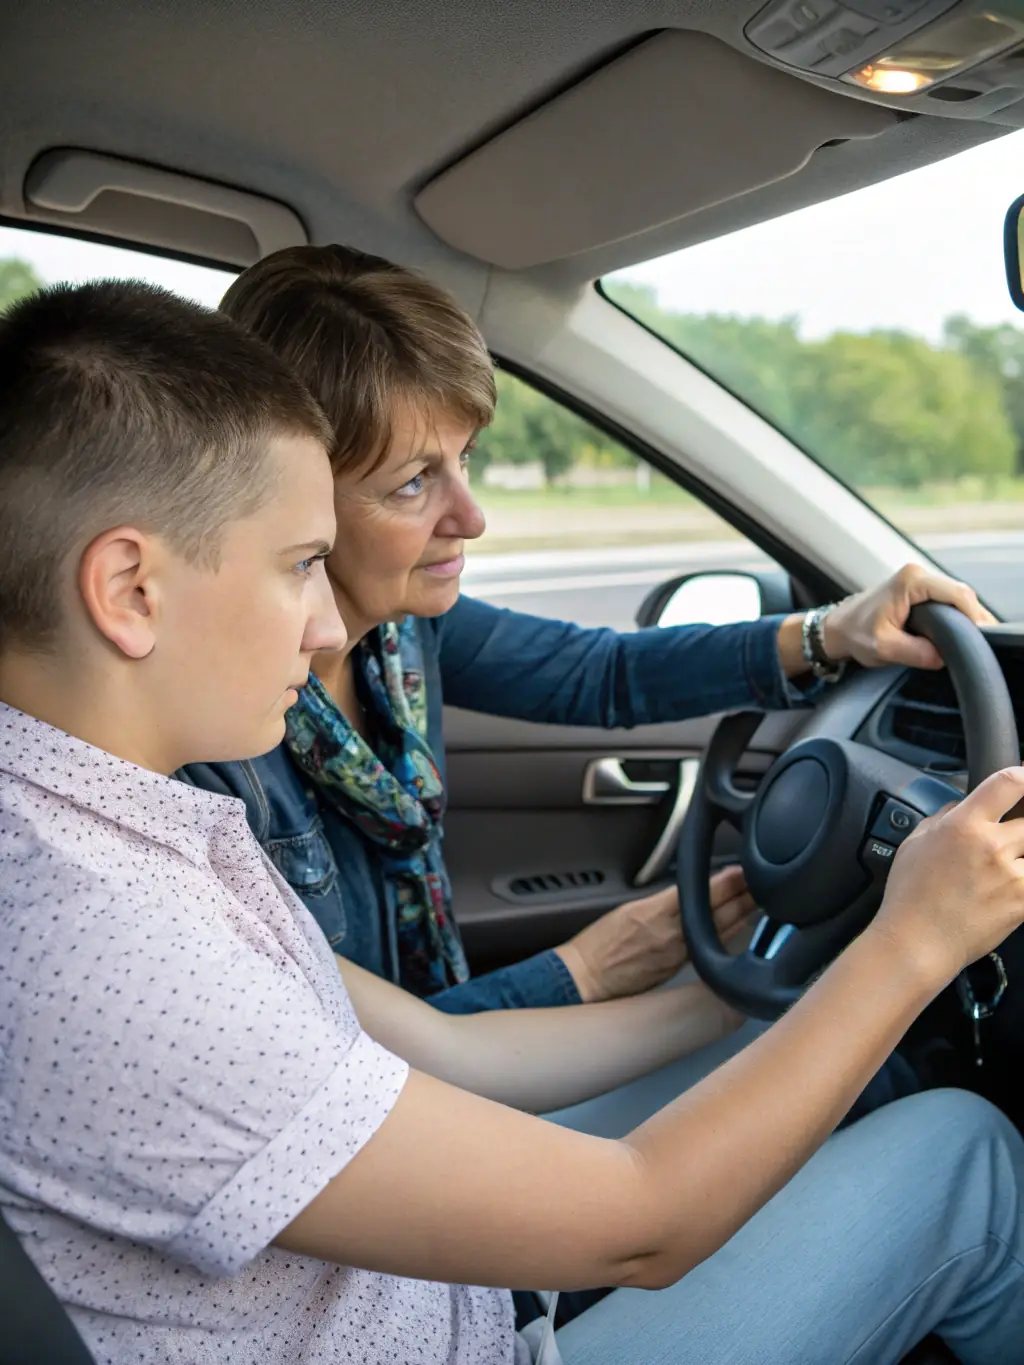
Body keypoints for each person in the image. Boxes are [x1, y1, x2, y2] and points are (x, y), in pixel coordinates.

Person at [3, 279, 1024, 1365]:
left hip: (440, 1284)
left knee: (812, 1058)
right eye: (300, 564)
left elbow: (444, 1052)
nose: (324, 626)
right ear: (128, 590)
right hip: (480, 1327)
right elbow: (641, 1223)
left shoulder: (131, 836)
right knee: (966, 1149)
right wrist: (912, 944)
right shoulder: (113, 950)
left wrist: (749, 994)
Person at [182, 244, 995, 1024]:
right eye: (413, 483)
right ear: (293, 497)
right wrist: (585, 972)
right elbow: (319, 1064)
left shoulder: (396, 642)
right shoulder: (208, 752)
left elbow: (597, 674)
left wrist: (828, 632)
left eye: (466, 459)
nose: (472, 517)